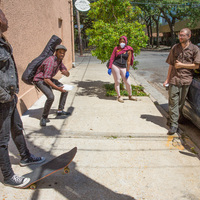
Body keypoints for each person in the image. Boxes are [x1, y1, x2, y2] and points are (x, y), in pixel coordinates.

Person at [0, 9, 45, 188]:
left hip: (9, 97)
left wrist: (14, 94)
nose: (6, 17)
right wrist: (4, 96)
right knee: (2, 141)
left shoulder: (3, 40)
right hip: (2, 99)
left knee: (17, 128)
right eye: (2, 15)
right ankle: (9, 176)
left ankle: (25, 157)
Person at [163, 28, 200, 135]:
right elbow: (171, 64)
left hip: (186, 80)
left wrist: (181, 65)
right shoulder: (175, 48)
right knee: (173, 101)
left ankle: (171, 119)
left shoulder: (195, 49)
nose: (180, 37)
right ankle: (174, 125)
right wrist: (167, 79)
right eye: (179, 35)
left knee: (180, 103)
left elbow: (197, 65)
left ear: (189, 36)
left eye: (183, 35)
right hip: (175, 78)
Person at [33, 45, 70, 126]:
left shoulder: (59, 61)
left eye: (63, 53)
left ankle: (60, 110)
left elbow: (67, 73)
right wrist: (57, 88)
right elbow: (46, 79)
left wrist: (66, 73)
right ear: (56, 52)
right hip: (40, 80)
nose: (62, 54)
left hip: (47, 78)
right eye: (60, 52)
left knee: (65, 89)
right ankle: (44, 117)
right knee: (50, 97)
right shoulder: (50, 61)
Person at [108, 36, 137, 103]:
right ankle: (119, 96)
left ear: (126, 42)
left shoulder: (129, 50)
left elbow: (128, 61)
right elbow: (112, 58)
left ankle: (130, 96)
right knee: (117, 81)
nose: (122, 43)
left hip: (123, 67)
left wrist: (127, 71)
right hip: (115, 66)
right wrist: (110, 67)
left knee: (128, 83)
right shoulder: (116, 48)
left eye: (123, 41)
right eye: (121, 41)